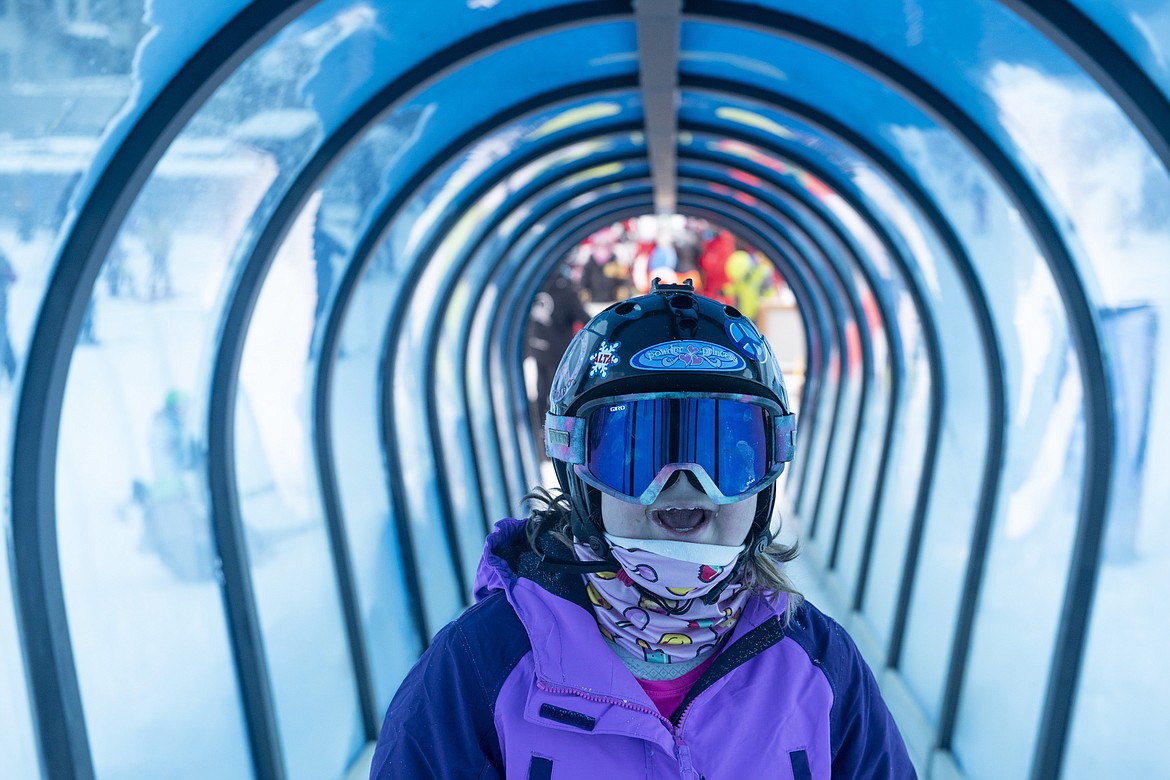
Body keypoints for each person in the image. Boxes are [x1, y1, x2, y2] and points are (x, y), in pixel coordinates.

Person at [371, 280, 915, 778]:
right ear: (580, 475)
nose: (686, 485)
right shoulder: (479, 672)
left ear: (767, 477)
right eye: (637, 453)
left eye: (727, 454)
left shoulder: (818, 669)